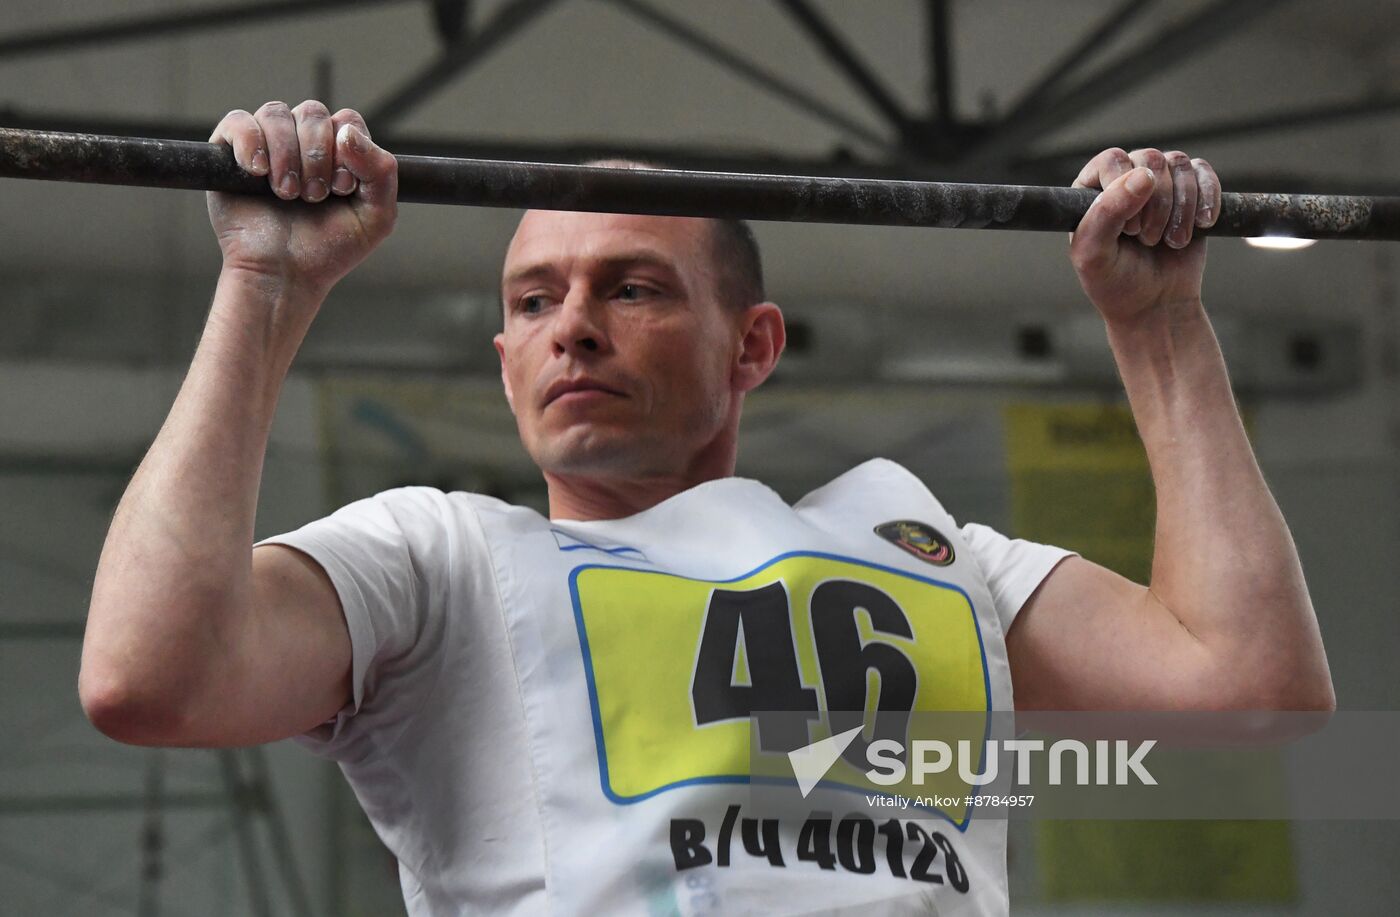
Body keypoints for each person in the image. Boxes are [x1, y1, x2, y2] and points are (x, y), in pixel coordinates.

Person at [79, 99, 1334, 916]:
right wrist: (262, 281)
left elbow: (1251, 686)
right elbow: (152, 677)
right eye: (530, 302)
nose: (569, 324)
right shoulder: (437, 558)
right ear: (503, 358)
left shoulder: (927, 552)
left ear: (751, 344)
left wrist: (1159, 323)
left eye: (630, 288)